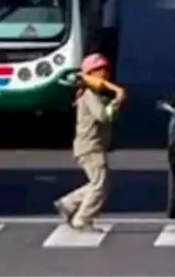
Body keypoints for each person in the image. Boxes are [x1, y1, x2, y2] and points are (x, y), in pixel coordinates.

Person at [54, 53, 125, 231]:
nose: (106, 74)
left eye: (107, 69)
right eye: (101, 70)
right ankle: (82, 219)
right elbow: (103, 116)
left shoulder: (93, 93)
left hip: (91, 146)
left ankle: (68, 204)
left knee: (99, 183)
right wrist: (117, 101)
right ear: (91, 73)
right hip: (90, 146)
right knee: (100, 184)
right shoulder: (89, 95)